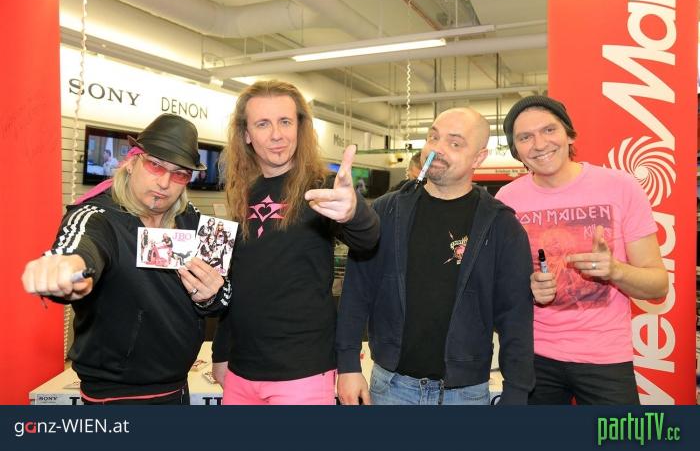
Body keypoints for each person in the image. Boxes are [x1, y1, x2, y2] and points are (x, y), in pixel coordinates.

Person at [22, 113, 230, 405]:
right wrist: (67, 267)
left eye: (180, 174)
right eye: (155, 165)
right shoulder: (98, 215)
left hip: (177, 388)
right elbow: (81, 246)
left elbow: (222, 299)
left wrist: (210, 295)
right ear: (132, 161)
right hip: (115, 397)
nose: (165, 182)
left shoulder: (190, 218)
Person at [336, 107, 535, 405]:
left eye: (455, 143)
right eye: (433, 137)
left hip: (466, 395)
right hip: (390, 388)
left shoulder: (501, 226)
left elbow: (515, 316)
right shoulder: (387, 211)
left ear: (479, 157)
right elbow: (357, 291)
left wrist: (517, 391)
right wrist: (348, 365)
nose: (438, 149)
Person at [211, 80, 380, 405]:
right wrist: (221, 351)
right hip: (242, 371)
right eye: (263, 124)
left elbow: (368, 239)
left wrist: (354, 212)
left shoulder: (323, 188)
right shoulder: (241, 193)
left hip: (302, 374)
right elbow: (235, 280)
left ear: (299, 128)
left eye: (285, 121)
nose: (277, 134)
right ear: (246, 134)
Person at [494, 95, 668, 405]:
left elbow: (658, 286)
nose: (539, 144)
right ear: (516, 150)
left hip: (606, 359)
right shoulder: (507, 200)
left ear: (569, 134)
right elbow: (497, 288)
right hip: (534, 356)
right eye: (525, 137)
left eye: (549, 130)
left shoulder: (621, 187)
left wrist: (615, 271)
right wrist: (529, 290)